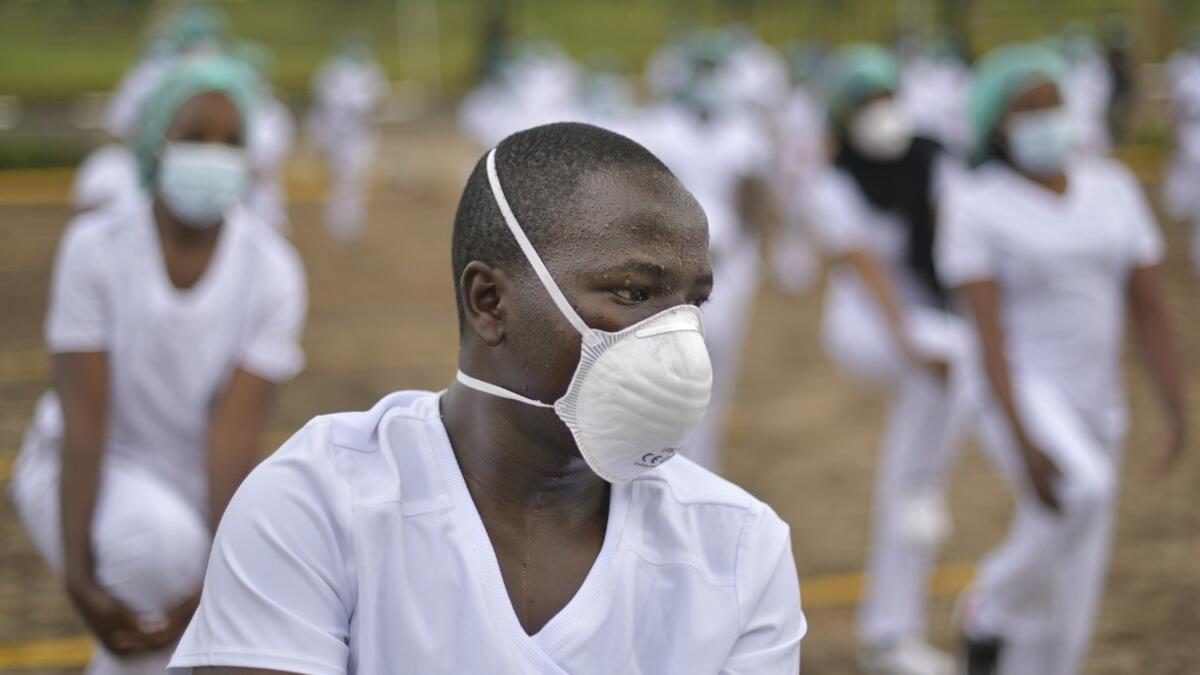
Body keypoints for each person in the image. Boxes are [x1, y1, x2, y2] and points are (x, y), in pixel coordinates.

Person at [167, 122, 806, 674]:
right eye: (634, 293)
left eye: (695, 303)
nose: (682, 341)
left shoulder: (740, 552)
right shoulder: (315, 507)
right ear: (489, 303)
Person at [9, 55, 308, 675]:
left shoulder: (273, 271)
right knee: (162, 551)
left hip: (189, 479)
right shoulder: (96, 248)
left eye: (232, 142)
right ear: (154, 142)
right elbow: (85, 423)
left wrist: (223, 572)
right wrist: (78, 574)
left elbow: (234, 435)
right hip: (82, 472)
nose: (214, 155)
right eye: (195, 136)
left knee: (181, 616)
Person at [941, 43, 1187, 675]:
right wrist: (1021, 437)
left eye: (1054, 103)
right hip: (1018, 386)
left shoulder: (1113, 187)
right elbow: (988, 334)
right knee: (1084, 490)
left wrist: (1174, 401)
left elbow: (1149, 304)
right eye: (1029, 108)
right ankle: (990, 599)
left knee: (1076, 580)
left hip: (1098, 397)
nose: (1048, 117)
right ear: (997, 123)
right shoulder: (976, 202)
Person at [804, 44, 973, 675]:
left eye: (887, 98)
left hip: (929, 314)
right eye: (866, 104)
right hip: (867, 326)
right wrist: (912, 343)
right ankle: (919, 489)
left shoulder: (931, 158)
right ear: (842, 116)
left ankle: (919, 488)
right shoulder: (834, 182)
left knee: (955, 367)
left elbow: (954, 241)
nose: (882, 113)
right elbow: (868, 271)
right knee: (952, 359)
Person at [624, 35, 776, 474]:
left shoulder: (741, 131)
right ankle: (657, 462)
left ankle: (701, 468)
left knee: (716, 366)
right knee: (668, 365)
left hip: (729, 266)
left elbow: (752, 198)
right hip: (666, 267)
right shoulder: (657, 127)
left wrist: (748, 250)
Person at [310, 37, 388, 242]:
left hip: (361, 136)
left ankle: (351, 227)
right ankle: (336, 226)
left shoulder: (372, 72)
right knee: (339, 183)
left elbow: (374, 103)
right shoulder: (332, 72)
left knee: (355, 183)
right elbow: (326, 105)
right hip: (336, 136)